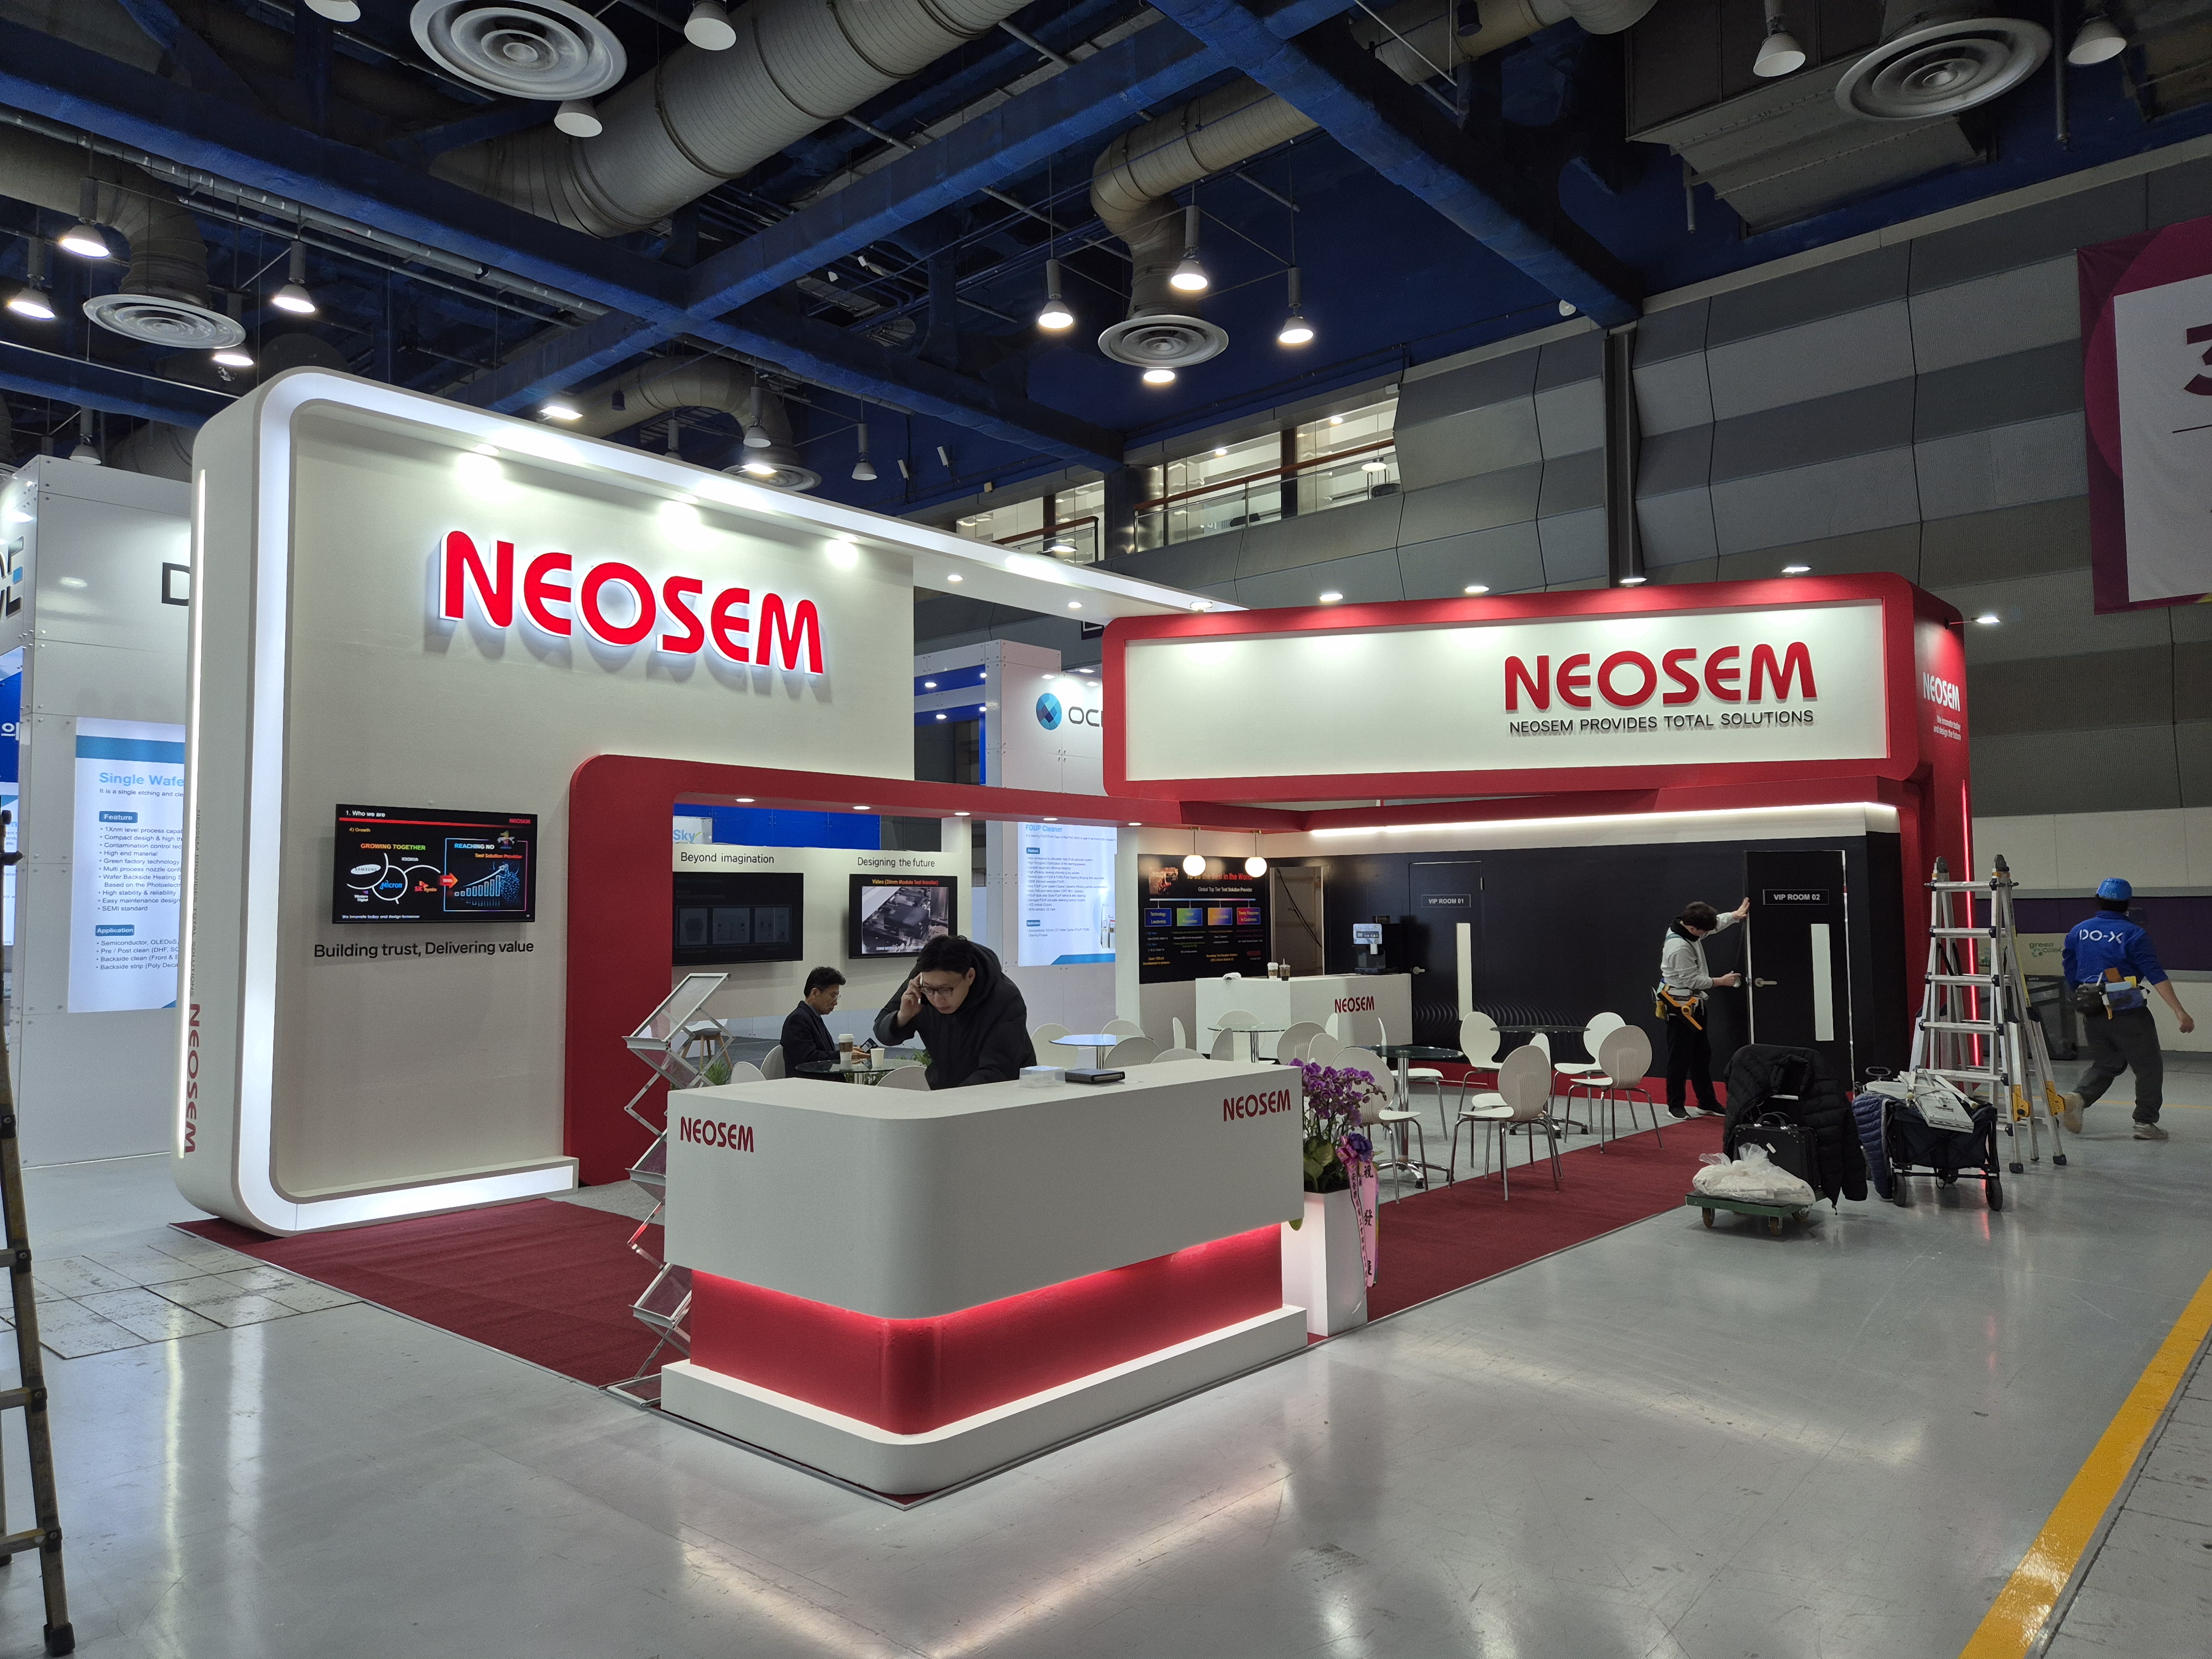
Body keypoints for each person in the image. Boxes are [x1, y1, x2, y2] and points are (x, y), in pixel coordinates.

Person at [2060, 878, 2193, 1141]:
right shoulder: (2134, 934)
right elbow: (2155, 974)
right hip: (2126, 1008)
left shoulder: (2079, 931)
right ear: (2127, 904)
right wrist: (2179, 1011)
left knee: (2108, 1062)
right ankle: (2145, 1122)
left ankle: (2078, 1097)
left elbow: (2070, 967)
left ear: (2098, 900)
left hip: (2090, 1007)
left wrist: (2083, 995)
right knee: (2148, 1066)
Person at [874, 934, 1035, 1090]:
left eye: (946, 990)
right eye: (929, 989)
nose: (937, 1000)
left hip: (1005, 1097)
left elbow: (997, 1072)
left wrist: (952, 1101)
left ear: (970, 976)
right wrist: (904, 1016)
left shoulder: (1005, 999)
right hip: (947, 1090)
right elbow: (882, 1030)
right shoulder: (919, 986)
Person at [1657, 896, 1750, 1119]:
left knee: (1702, 1054)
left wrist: (1734, 916)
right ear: (1692, 928)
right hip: (1679, 1007)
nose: (1705, 934)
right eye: (1702, 931)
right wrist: (1722, 981)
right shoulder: (1678, 947)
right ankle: (1675, 1105)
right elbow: (1693, 981)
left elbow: (1713, 925)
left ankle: (1706, 1101)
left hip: (1694, 1004)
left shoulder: (1689, 929)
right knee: (1679, 1057)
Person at [781, 966, 845, 1080]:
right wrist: (844, 1055)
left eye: (837, 997)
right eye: (833, 996)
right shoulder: (797, 1020)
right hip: (808, 1086)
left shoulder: (813, 1017)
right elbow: (809, 1059)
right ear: (815, 993)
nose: (835, 1002)